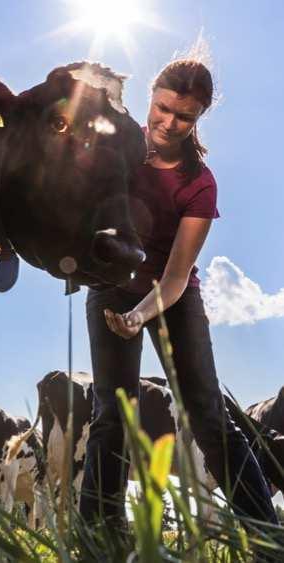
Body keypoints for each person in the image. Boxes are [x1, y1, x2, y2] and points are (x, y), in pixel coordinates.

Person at [79, 59, 278, 527]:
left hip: (172, 296)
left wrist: (138, 317)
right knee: (112, 413)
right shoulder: (118, 153)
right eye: (162, 108)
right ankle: (100, 538)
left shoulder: (199, 185)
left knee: (208, 415)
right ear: (150, 97)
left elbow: (173, 279)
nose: (169, 123)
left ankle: (268, 537)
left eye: (184, 117)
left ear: (199, 118)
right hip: (111, 284)